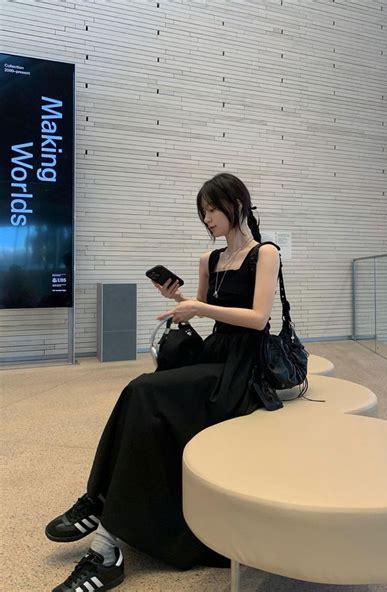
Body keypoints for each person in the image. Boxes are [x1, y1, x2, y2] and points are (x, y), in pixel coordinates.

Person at [46, 173, 281, 591]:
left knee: (144, 390)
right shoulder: (208, 260)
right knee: (142, 396)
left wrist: (197, 307)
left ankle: (100, 510)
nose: (207, 218)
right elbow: (204, 309)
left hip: (244, 368)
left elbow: (260, 319)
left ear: (237, 205)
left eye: (212, 209)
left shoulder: (264, 253)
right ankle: (100, 508)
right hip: (214, 356)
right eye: (203, 212)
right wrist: (179, 301)